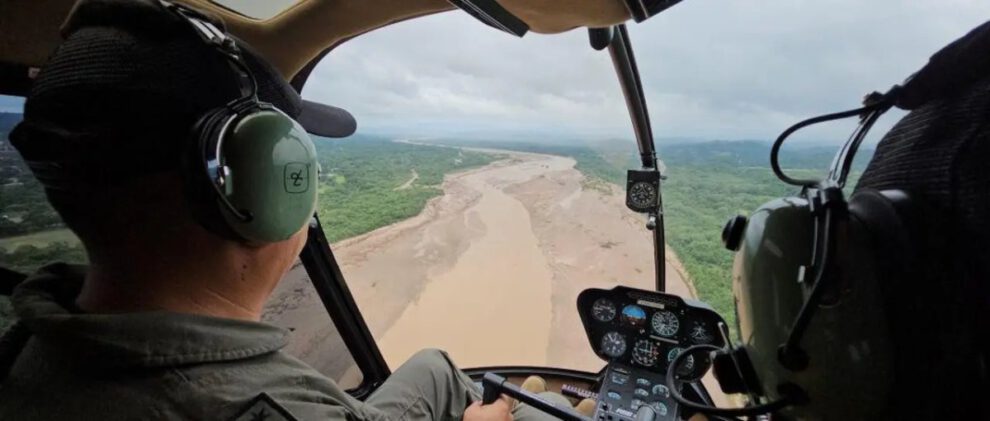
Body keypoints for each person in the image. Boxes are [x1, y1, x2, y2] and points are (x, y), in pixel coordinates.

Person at [0, 1, 594, 420]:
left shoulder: (29, 346)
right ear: (259, 191)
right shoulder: (258, 405)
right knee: (519, 401)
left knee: (436, 368)